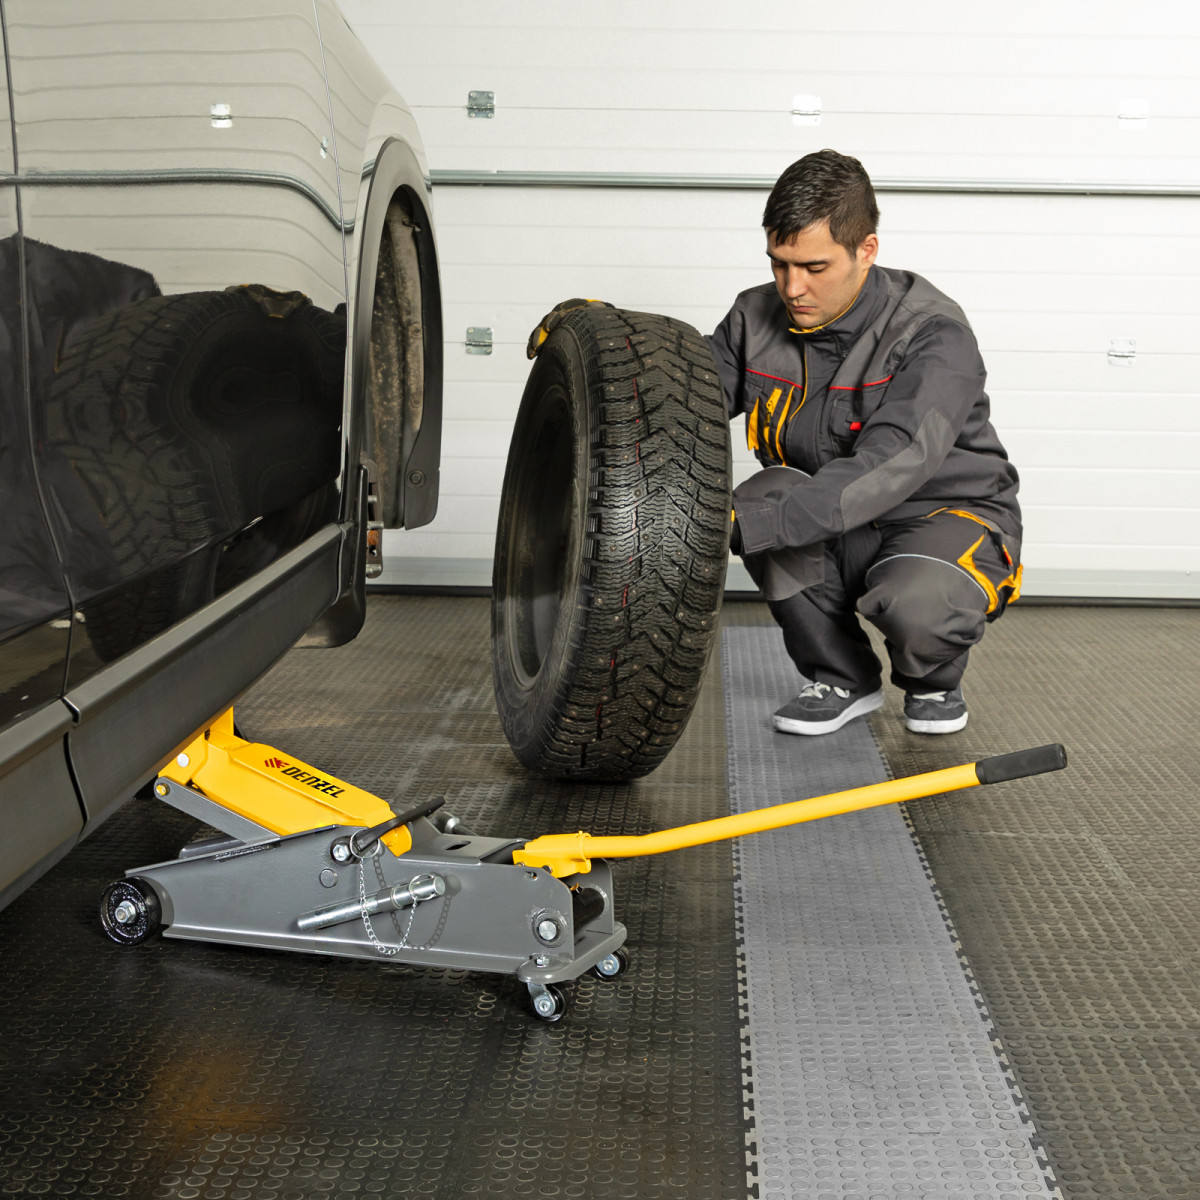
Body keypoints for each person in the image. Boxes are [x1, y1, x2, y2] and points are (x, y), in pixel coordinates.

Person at [707, 149, 1022, 737]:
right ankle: (843, 677)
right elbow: (684, 398)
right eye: (779, 263)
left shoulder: (933, 333)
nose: (792, 287)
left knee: (916, 604)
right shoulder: (754, 318)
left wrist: (753, 526)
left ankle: (933, 678)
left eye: (814, 267)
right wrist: (613, 347)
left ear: (866, 250)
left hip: (940, 517)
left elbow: (894, 461)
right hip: (831, 518)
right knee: (764, 495)